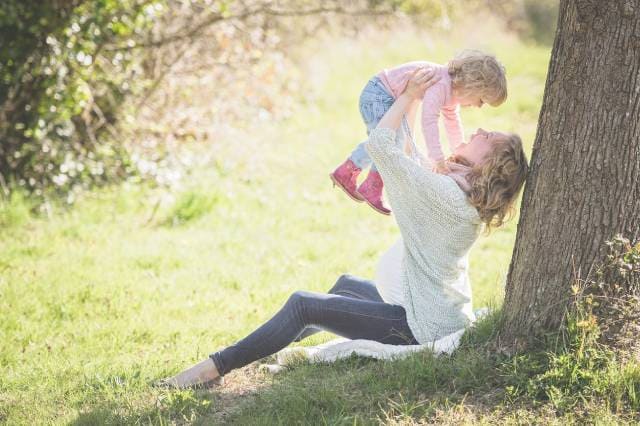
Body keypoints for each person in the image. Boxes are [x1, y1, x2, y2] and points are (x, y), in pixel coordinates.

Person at [159, 68, 527, 389]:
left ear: (489, 164)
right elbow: (413, 157)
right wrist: (414, 100)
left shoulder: (447, 196)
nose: (479, 129)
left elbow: (383, 146)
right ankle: (261, 347)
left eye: (488, 137)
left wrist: (410, 96)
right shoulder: (459, 192)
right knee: (345, 286)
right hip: (430, 309)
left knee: (304, 304)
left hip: (419, 325)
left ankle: (214, 368)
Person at [330, 50, 507, 215]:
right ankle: (368, 183)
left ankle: (351, 174)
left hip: (384, 95)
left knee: (387, 141)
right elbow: (428, 121)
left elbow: (452, 123)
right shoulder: (441, 84)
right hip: (379, 94)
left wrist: (458, 149)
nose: (478, 106)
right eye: (482, 101)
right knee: (387, 141)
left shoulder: (451, 93)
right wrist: (437, 158)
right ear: (474, 86)